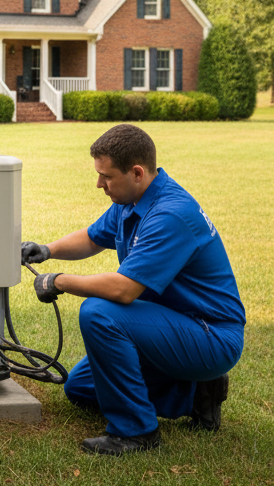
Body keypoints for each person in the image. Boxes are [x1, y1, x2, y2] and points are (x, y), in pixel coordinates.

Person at [22, 123, 244, 456]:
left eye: (106, 176)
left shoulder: (170, 214)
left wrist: (59, 280)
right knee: (80, 388)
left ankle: (137, 431)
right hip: (171, 322)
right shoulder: (133, 201)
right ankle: (197, 394)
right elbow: (95, 237)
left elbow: (124, 290)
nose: (99, 184)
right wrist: (47, 249)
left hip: (210, 335)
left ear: (137, 172)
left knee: (100, 313)